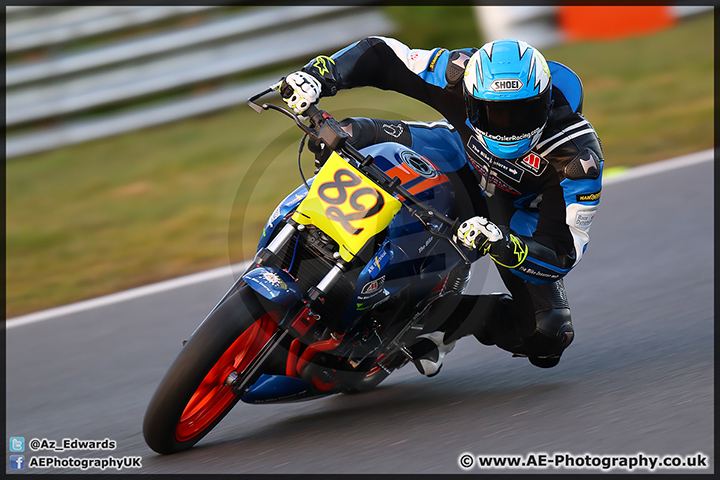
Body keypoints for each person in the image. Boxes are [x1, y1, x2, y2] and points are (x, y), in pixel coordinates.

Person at [279, 36, 603, 373]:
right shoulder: (457, 72)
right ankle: (306, 231)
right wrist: (320, 74)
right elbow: (384, 55)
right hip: (459, 157)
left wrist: (508, 246)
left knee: (548, 335)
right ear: (469, 96)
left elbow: (563, 251)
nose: (506, 127)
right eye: (491, 112)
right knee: (344, 133)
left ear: (546, 104)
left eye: (521, 113)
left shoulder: (578, 160)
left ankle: (441, 322)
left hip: (516, 219)